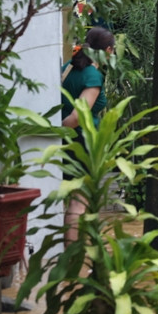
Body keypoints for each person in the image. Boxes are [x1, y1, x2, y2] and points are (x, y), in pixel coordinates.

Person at [60, 26, 115, 243]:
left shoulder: (68, 67)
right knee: (78, 202)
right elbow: (76, 117)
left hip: (66, 142)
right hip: (82, 143)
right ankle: (73, 259)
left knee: (69, 200)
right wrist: (59, 130)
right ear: (108, 50)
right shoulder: (92, 75)